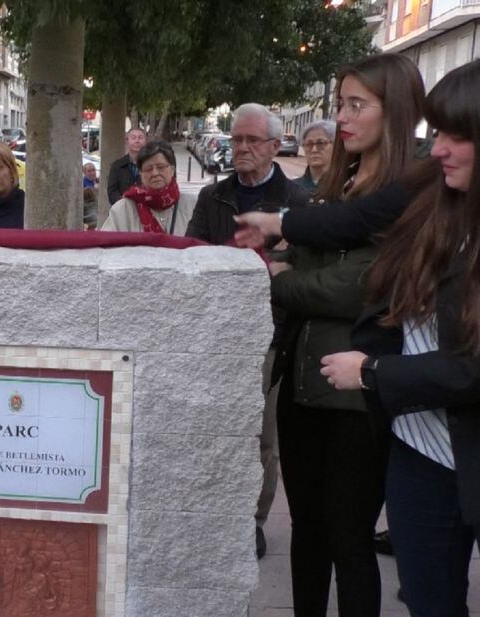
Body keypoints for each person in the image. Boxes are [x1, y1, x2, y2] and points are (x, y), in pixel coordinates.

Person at [238, 51, 480, 617]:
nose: (441, 147)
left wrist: (375, 372)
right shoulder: (439, 185)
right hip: (421, 455)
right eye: (439, 131)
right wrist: (278, 224)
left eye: (458, 134)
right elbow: (354, 220)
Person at [269, 53, 424, 617]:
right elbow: (310, 259)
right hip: (303, 380)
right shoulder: (337, 178)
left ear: (398, 109)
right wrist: (291, 267)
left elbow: (359, 286)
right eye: (339, 104)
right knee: (307, 531)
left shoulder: (408, 189)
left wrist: (282, 279)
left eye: (357, 105)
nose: (342, 117)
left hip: (358, 393)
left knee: (348, 537)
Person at [185, 102, 310, 559]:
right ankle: (212, 514)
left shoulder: (297, 202)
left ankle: (253, 519)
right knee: (211, 427)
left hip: (270, 335)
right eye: (236, 139)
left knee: (261, 436)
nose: (240, 148)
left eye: (251, 140)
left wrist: (270, 263)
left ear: (275, 146)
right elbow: (193, 254)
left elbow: (304, 265)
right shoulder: (213, 196)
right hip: (214, 332)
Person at [100, 140, 196, 235]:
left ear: (172, 169)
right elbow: (105, 243)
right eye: (148, 169)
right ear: (140, 174)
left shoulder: (193, 206)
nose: (155, 173)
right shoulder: (123, 210)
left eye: (161, 167)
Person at [106, 127, 148, 205]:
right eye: (133, 138)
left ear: (145, 141)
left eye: (140, 137)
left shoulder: (152, 164)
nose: (137, 140)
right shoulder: (117, 165)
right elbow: (112, 192)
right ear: (127, 142)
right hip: (122, 210)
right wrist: (124, 201)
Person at [294, 120, 336, 193]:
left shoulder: (346, 188)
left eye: (321, 143)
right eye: (309, 144)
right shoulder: (292, 189)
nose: (314, 150)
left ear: (336, 146)